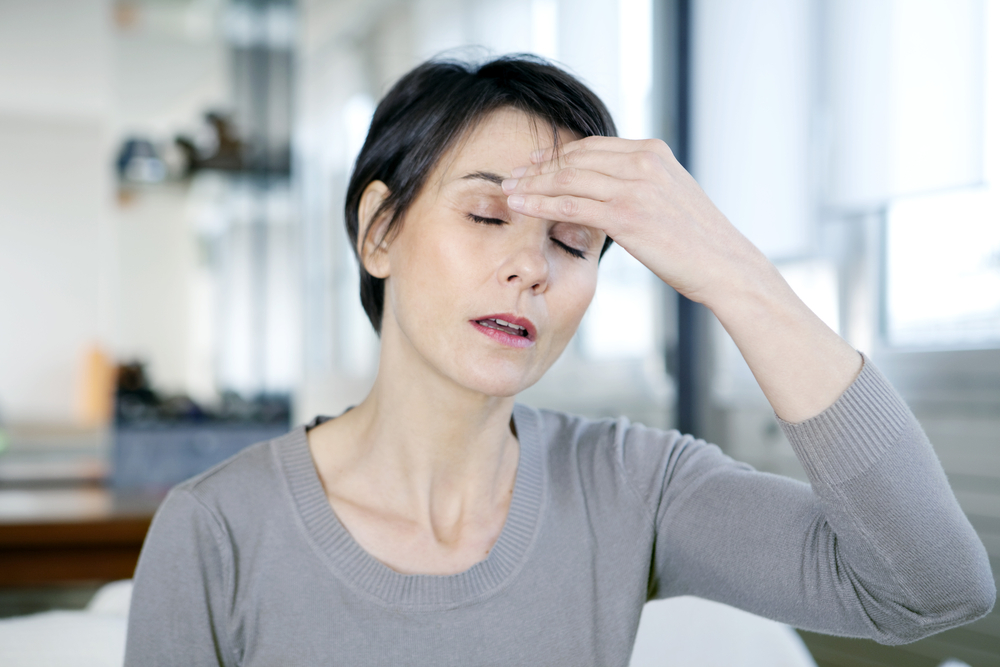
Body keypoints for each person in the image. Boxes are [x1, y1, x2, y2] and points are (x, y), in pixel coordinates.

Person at [124, 55, 994, 666]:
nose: (532, 266)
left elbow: (934, 588)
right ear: (379, 230)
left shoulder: (634, 485)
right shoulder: (216, 531)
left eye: (573, 242)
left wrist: (735, 272)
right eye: (487, 217)